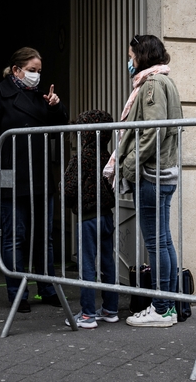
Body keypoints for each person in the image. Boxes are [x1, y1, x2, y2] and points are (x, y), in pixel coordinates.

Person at [0, 46, 68, 313]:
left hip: (40, 175)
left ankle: (47, 288)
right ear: (16, 70)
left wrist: (56, 105)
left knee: (45, 237)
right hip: (9, 175)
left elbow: (59, 127)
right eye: (31, 71)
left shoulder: (41, 98)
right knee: (15, 236)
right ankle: (18, 293)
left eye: (38, 72)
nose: (35, 76)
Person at [103, 34, 183, 327]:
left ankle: (162, 309)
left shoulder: (151, 84)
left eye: (131, 56)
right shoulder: (163, 81)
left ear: (142, 56)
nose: (129, 61)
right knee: (162, 241)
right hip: (161, 173)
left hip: (151, 174)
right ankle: (168, 307)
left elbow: (153, 130)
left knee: (156, 242)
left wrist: (130, 164)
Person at [63, 109, 119, 328]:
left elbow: (68, 188)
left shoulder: (82, 158)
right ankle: (110, 309)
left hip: (87, 218)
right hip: (107, 216)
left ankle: (87, 315)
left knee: (86, 264)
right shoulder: (109, 156)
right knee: (108, 262)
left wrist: (68, 198)